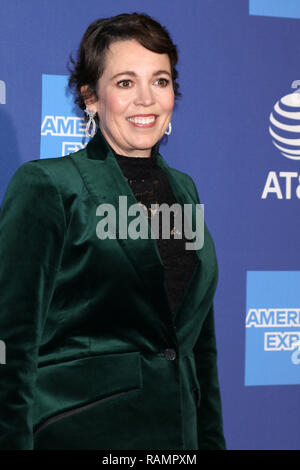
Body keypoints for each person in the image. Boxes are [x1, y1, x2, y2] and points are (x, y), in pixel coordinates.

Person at [0, 12, 226, 450]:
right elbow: (11, 347)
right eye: (125, 83)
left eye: (159, 81)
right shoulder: (49, 186)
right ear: (90, 97)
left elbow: (199, 347)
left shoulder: (184, 190)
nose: (146, 99)